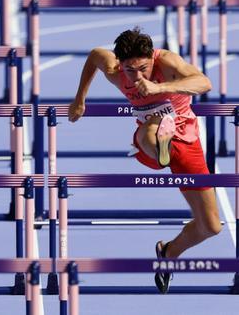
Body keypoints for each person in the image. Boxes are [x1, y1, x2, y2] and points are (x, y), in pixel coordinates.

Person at [68, 27, 221, 293]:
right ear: (120, 65)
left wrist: (159, 86)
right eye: (130, 71)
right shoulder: (114, 70)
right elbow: (94, 56)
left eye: (142, 68)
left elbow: (204, 83)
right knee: (152, 131)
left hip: (188, 138)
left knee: (211, 226)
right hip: (149, 137)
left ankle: (168, 253)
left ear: (152, 58)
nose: (137, 76)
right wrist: (79, 98)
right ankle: (162, 142)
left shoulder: (167, 62)